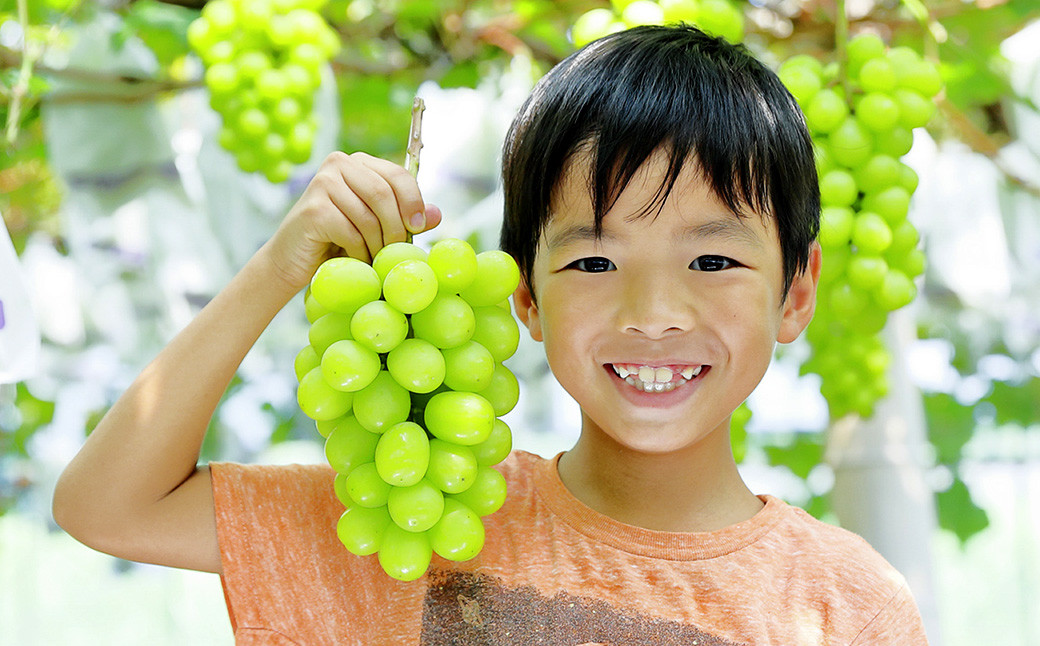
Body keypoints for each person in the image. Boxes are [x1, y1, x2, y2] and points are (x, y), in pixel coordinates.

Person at [53, 24, 928, 644]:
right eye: (593, 263)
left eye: (712, 262)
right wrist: (277, 269)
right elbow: (106, 507)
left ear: (796, 292)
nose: (654, 312)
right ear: (525, 299)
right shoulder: (422, 515)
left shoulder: (850, 608)